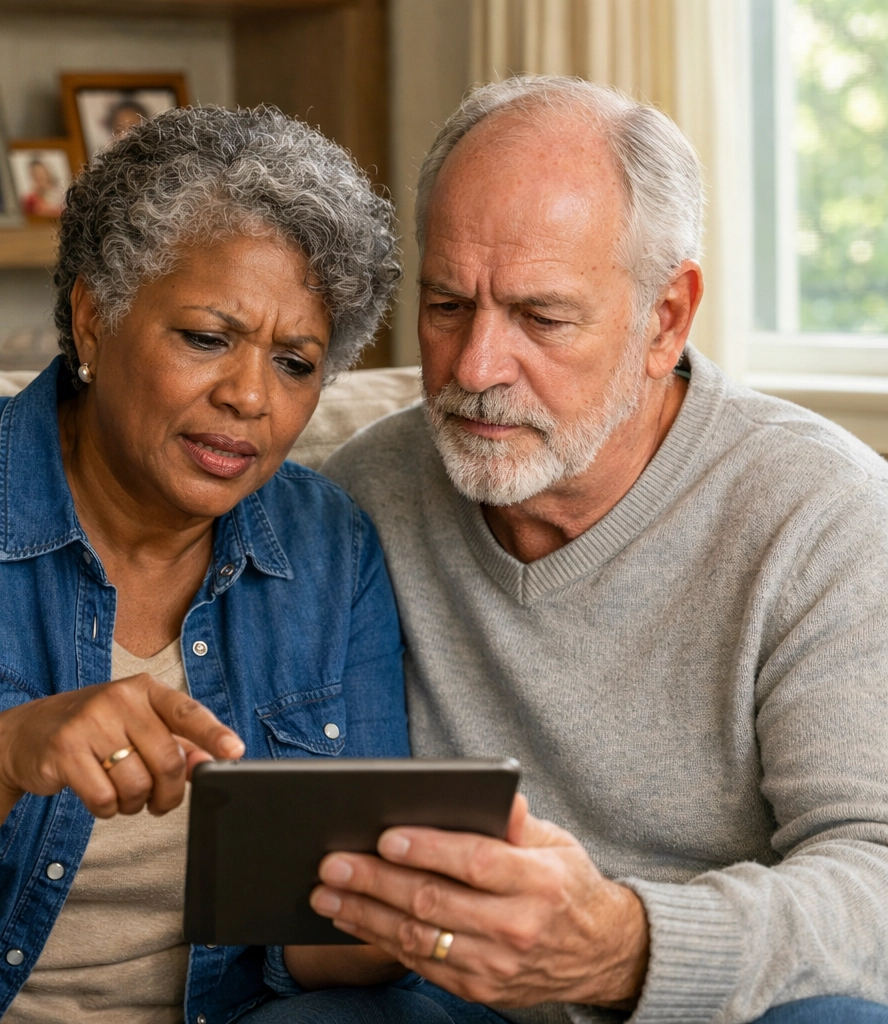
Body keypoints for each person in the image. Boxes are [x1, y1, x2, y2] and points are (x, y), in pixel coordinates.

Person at [0, 105, 476, 1024]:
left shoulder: (331, 549)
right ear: (94, 319)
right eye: (207, 337)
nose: (250, 397)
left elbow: (325, 952)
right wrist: (2, 753)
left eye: (297, 361)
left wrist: (431, 915)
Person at [317, 76, 888, 1024]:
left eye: (542, 318)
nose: (473, 369)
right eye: (448, 304)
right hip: (447, 993)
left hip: (714, 1002)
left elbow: (876, 883)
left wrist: (624, 947)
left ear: (666, 318)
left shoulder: (823, 514)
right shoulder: (364, 492)